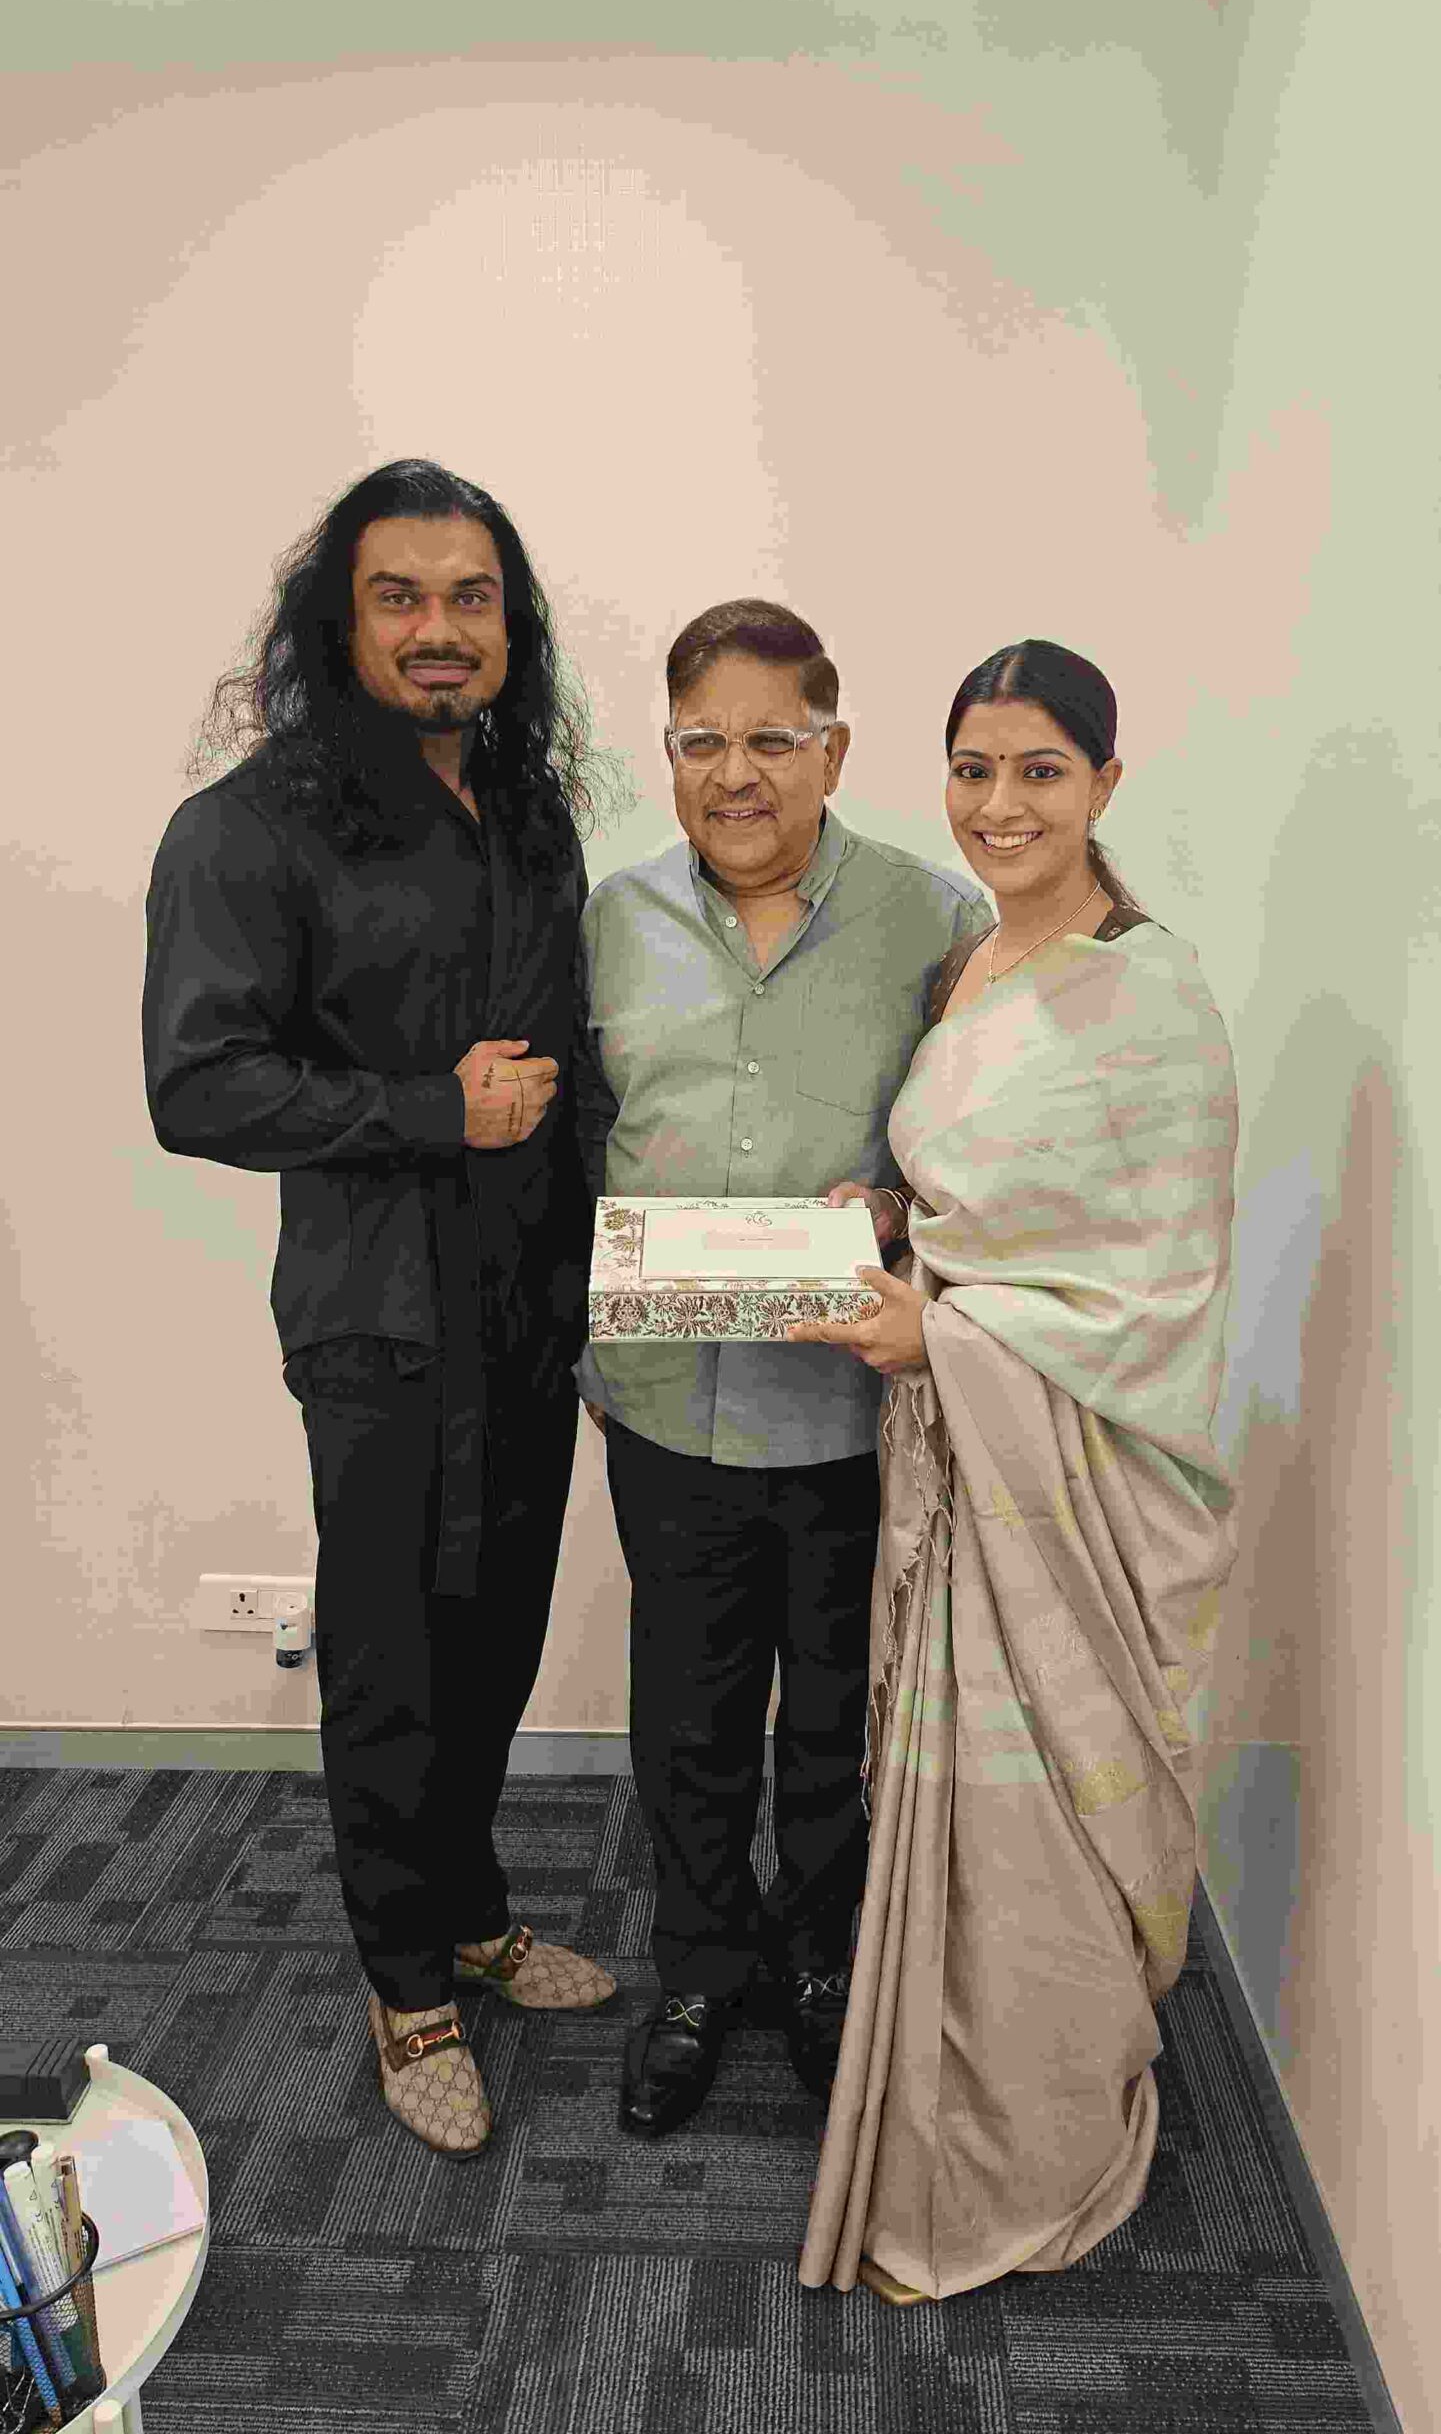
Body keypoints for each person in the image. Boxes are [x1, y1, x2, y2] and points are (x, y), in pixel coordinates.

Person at [142, 460, 619, 2163]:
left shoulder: (529, 812)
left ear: (511, 627)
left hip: (533, 1304)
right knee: (393, 1653)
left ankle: (470, 1910)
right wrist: (431, 1109)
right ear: (336, 622)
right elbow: (197, 1084)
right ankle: (405, 1983)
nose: (438, 629)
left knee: (494, 1631)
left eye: (470, 598)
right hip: (379, 1320)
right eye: (399, 597)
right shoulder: (249, 828)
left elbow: (571, 1061)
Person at [789, 638, 1239, 2301]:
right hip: (962, 1460)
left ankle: (1034, 2144)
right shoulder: (972, 967)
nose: (999, 805)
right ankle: (942, 2115)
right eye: (972, 770)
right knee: (956, 1814)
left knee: (1048, 1823)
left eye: (1039, 770)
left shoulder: (1151, 1000)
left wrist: (950, 1336)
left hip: (1070, 1487)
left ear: (1104, 783)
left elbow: (1152, 1290)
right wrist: (887, 1221)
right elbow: (980, 1197)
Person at [577, 599, 991, 2139]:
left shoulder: (934, 920)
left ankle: (820, 1964)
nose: (734, 773)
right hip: (662, 1402)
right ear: (667, 752)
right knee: (685, 1717)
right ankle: (698, 1972)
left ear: (834, 748)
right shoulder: (610, 919)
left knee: (831, 1717)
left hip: (845, 1406)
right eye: (702, 741)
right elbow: (574, 1136)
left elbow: (983, 1142)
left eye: (771, 739)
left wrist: (892, 1207)